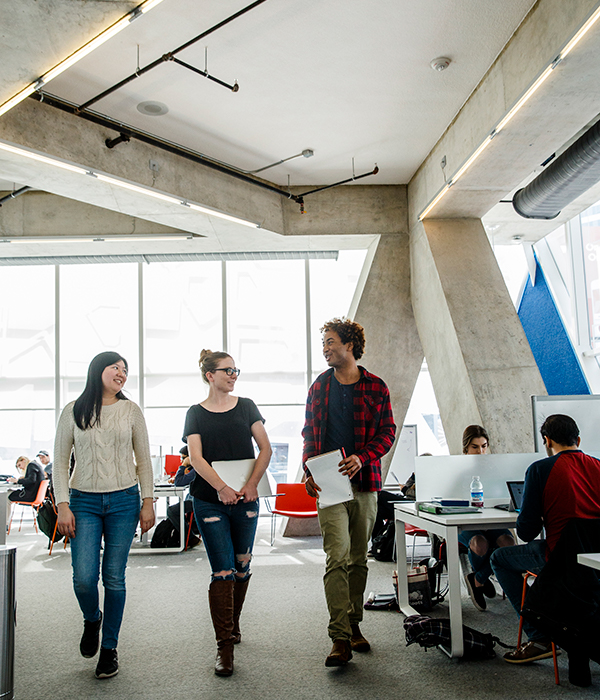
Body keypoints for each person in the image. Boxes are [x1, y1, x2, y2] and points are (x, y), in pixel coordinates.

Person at [54, 351, 155, 680]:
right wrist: (63, 504)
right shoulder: (73, 410)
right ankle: (91, 618)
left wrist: (149, 500)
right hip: (83, 500)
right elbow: (59, 462)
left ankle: (109, 648)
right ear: (98, 370)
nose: (122, 373)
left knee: (114, 577)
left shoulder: (130, 410)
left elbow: (143, 459)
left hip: (124, 500)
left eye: (125, 370)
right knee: (84, 578)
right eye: (116, 367)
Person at [303, 318, 396, 667]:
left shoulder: (376, 387)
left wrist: (363, 457)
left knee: (358, 558)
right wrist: (308, 467)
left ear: (350, 345)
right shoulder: (319, 387)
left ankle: (355, 624)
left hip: (367, 483)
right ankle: (339, 636)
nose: (325, 348)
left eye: (330, 342)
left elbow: (387, 432)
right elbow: (309, 431)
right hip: (328, 484)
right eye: (323, 343)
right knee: (337, 557)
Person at [183, 349, 272, 677]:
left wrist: (252, 484)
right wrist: (221, 487)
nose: (234, 375)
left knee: (241, 566)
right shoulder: (195, 413)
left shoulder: (247, 406)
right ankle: (225, 646)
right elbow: (196, 457)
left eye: (236, 370)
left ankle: (232, 624)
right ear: (210, 375)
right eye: (227, 370)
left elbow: (265, 448)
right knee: (222, 570)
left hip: (247, 499)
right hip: (209, 499)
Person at [491, 414, 600, 667]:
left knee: (500, 558)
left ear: (547, 441)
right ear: (578, 440)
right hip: (596, 562)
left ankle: (539, 637)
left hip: (560, 560)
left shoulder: (540, 469)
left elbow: (526, 532)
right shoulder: (598, 466)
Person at [460, 425, 515, 611]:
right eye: (475, 447)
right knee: (479, 543)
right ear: (466, 448)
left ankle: (477, 578)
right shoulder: (458, 470)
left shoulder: (495, 469)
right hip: (465, 522)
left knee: (509, 543)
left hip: (491, 519)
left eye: (484, 446)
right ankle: (482, 578)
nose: (481, 451)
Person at [166, 445, 200, 540]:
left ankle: (190, 538)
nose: (182, 460)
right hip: (193, 500)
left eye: (184, 458)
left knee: (171, 511)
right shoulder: (194, 469)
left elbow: (179, 483)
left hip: (196, 501)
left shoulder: (197, 469)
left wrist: (183, 466)